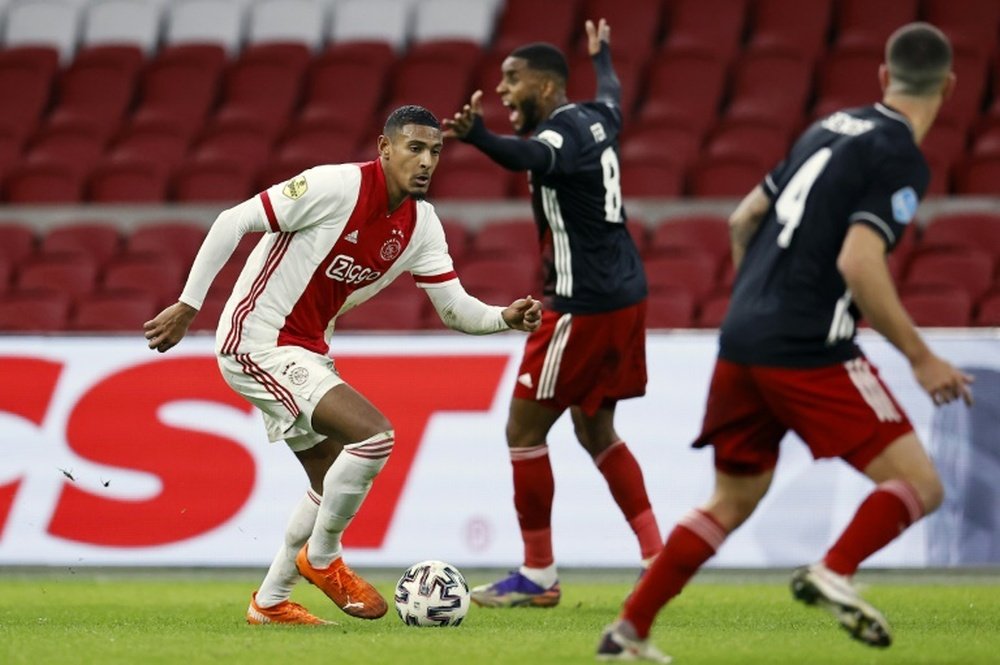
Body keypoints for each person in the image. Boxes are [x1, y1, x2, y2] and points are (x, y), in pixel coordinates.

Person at [595, 23, 973, 662]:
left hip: (743, 336)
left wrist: (757, 300)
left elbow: (743, 216)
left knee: (732, 498)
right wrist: (922, 357)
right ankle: (835, 569)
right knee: (921, 485)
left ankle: (628, 631)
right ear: (949, 87)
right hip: (807, 346)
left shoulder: (826, 127)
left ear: (883, 77)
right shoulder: (901, 155)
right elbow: (860, 262)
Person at [143, 105, 542, 626]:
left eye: (435, 152)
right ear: (385, 148)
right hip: (255, 341)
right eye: (414, 149)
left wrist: (503, 318)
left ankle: (270, 603)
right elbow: (232, 221)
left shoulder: (421, 224)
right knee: (375, 436)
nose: (425, 162)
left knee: (329, 477)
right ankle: (323, 557)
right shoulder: (333, 187)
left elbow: (454, 309)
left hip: (304, 349)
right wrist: (189, 305)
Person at [443, 19, 661, 608]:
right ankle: (658, 557)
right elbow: (614, 93)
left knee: (522, 431)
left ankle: (538, 574)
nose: (504, 90)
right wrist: (605, 56)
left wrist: (479, 137)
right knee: (597, 431)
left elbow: (529, 156)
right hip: (627, 296)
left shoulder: (561, 133)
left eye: (513, 80)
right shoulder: (600, 116)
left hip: (581, 306)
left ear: (545, 83)